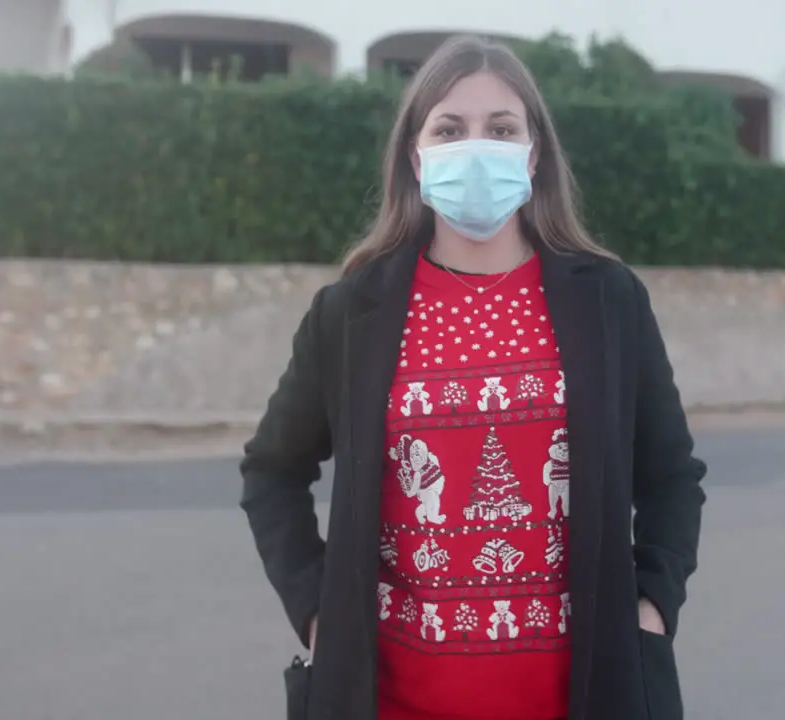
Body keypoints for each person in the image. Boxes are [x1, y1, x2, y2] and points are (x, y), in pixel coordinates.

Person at [241, 34, 707, 720]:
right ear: (415, 153)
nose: (477, 147)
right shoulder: (349, 314)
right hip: (394, 703)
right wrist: (319, 614)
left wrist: (652, 608)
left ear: (534, 151)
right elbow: (272, 472)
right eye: (450, 128)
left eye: (502, 128)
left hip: (583, 699)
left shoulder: (608, 301)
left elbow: (671, 475)